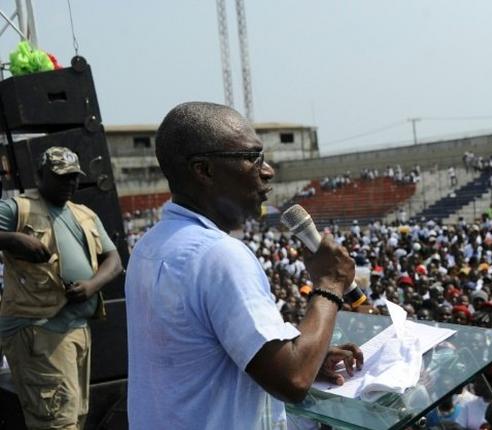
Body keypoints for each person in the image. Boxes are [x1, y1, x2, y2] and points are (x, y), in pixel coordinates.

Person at [124, 102, 362, 429]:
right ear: (203, 170)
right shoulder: (219, 255)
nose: (268, 171)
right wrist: (330, 284)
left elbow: (199, 354)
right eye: (252, 158)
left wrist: (309, 353)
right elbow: (292, 379)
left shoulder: (149, 246)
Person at [0, 146, 123, 429]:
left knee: (74, 418)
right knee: (56, 422)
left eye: (73, 178)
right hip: (38, 329)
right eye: (61, 177)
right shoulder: (19, 208)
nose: (70, 184)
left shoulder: (83, 214)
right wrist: (14, 240)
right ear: (41, 175)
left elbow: (114, 260)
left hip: (76, 328)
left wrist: (92, 285)